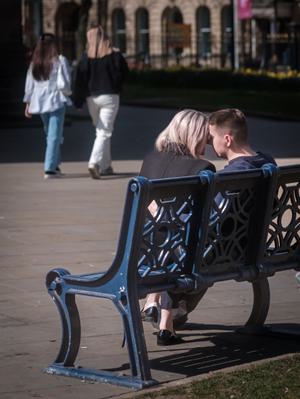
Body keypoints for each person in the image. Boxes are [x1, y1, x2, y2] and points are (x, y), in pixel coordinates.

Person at [139, 109, 216, 346]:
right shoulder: (203, 168)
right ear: (195, 135)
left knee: (166, 239)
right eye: (206, 136)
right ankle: (170, 319)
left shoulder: (150, 160)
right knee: (200, 250)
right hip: (178, 254)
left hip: (142, 252)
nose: (209, 142)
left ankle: (157, 308)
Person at [72, 23, 128, 179]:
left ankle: (106, 166)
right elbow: (123, 74)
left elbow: (79, 80)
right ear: (105, 37)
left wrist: (78, 101)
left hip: (92, 98)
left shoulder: (85, 57)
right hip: (110, 97)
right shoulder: (114, 55)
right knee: (104, 132)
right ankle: (94, 162)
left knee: (101, 132)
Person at [24, 33, 72, 179]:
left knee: (50, 134)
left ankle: (54, 165)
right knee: (54, 135)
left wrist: (28, 104)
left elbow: (29, 84)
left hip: (39, 103)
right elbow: (66, 82)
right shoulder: (60, 60)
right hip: (56, 101)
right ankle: (49, 168)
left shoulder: (35, 63)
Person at [208, 108, 276, 172]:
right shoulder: (268, 160)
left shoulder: (230, 174)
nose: (210, 142)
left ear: (227, 140)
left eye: (212, 138)